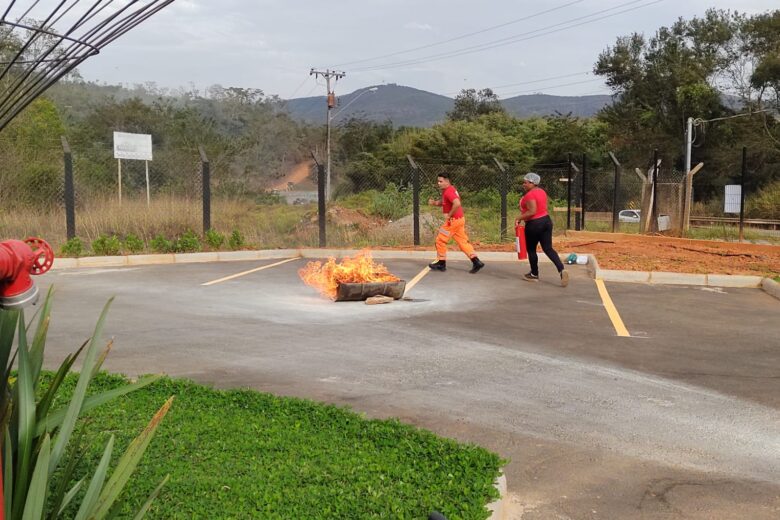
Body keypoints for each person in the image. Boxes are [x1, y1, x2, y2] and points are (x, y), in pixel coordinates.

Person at [515, 172, 569, 287]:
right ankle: (561, 270)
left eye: (525, 182)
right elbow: (541, 207)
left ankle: (534, 274)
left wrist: (519, 218)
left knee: (531, 250)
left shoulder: (529, 195)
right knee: (548, 248)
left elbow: (532, 211)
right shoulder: (542, 192)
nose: (523, 184)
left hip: (534, 224)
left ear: (532, 183)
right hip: (546, 221)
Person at [428, 172, 484, 274]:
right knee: (462, 242)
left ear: (447, 181)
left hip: (452, 222)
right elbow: (445, 201)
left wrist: (449, 215)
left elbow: (457, 203)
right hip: (459, 220)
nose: (438, 183)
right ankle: (476, 261)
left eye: (441, 181)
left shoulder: (448, 191)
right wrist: (435, 203)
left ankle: (441, 263)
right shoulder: (448, 190)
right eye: (438, 181)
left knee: (440, 240)